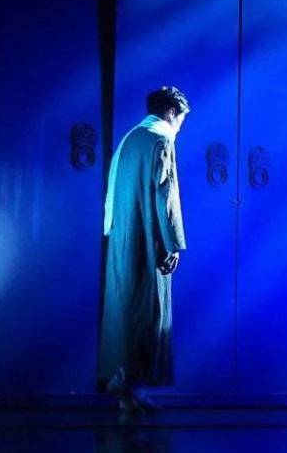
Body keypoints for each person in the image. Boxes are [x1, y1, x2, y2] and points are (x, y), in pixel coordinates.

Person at [98, 86, 189, 412]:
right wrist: (172, 243)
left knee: (126, 310)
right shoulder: (160, 140)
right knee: (149, 312)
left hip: (122, 238)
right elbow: (166, 195)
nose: (180, 126)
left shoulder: (129, 139)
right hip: (148, 239)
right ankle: (130, 385)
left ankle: (128, 385)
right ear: (171, 112)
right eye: (181, 119)